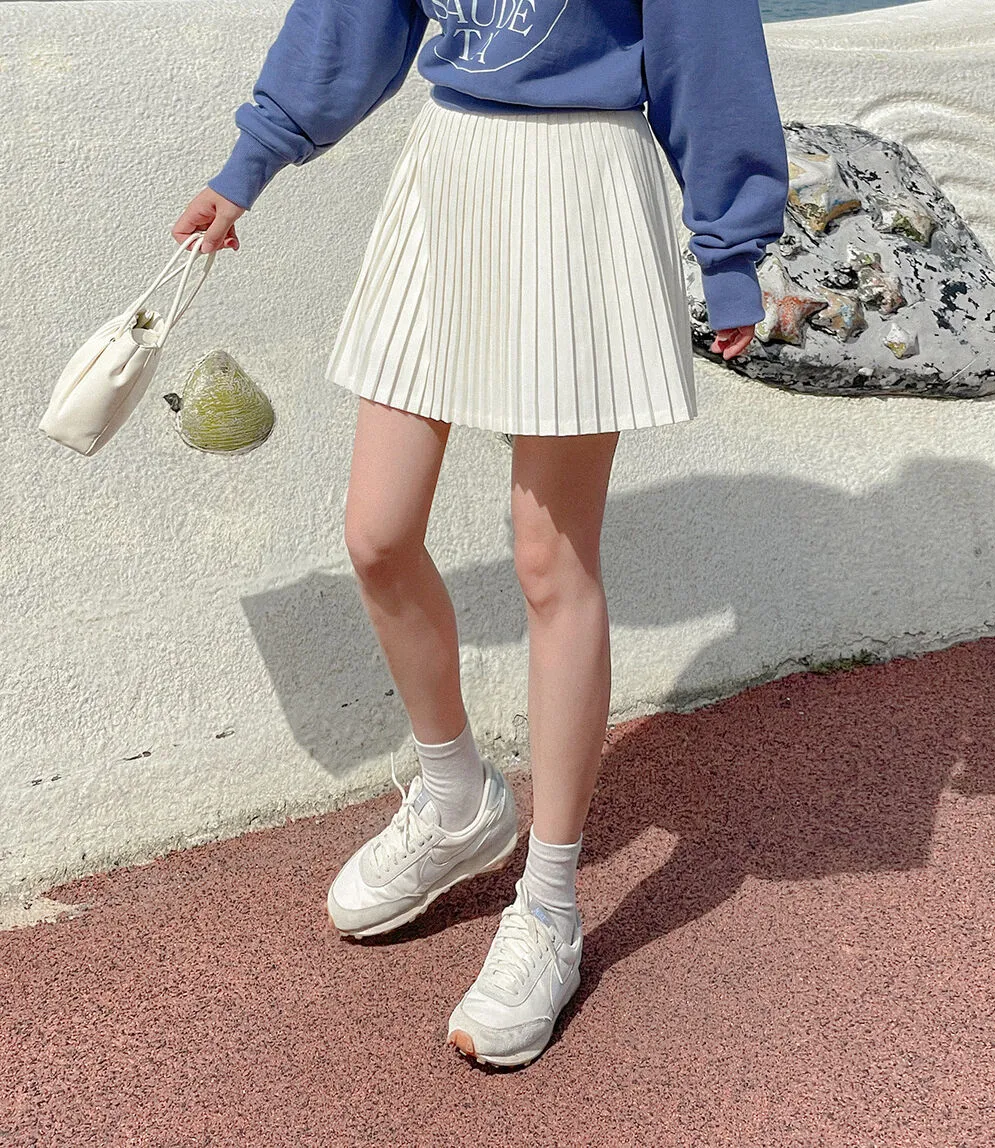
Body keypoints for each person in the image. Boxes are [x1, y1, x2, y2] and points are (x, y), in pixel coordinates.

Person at [171, 0, 789, 1069]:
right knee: (377, 534)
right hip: (447, 173)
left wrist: (729, 247)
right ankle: (456, 796)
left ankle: (548, 904)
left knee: (551, 560)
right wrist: (249, 163)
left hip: (582, 189)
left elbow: (707, 42)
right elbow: (354, 18)